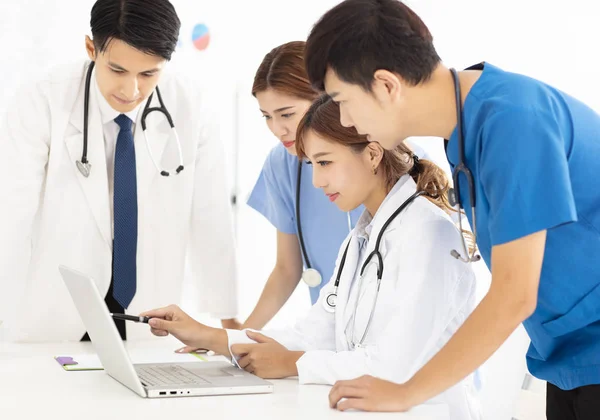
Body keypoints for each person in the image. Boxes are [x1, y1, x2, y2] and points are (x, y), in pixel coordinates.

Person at [303, 0, 600, 418]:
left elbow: (515, 294)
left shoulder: (513, 121)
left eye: (343, 101)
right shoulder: (467, 135)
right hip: (569, 359)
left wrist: (405, 392)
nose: (346, 121)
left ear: (387, 85)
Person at [141, 95, 481, 419]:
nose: (317, 181)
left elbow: (394, 367)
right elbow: (314, 332)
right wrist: (210, 337)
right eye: (311, 165)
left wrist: (293, 363)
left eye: (325, 162)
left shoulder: (429, 234)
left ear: (373, 154)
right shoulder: (359, 240)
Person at [0, 0, 240, 342]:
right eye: (117, 70)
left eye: (148, 74)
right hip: (55, 310)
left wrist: (226, 319)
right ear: (90, 48)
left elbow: (210, 214)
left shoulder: (191, 105)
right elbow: (10, 215)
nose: (132, 91)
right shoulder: (43, 99)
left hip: (148, 309)